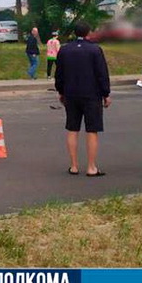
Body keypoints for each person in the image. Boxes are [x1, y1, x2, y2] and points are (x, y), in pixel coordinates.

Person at [55, 21, 111, 177]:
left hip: (71, 94)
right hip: (91, 94)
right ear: (89, 32)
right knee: (92, 130)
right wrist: (106, 93)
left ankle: (73, 165)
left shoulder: (65, 50)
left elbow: (59, 73)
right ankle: (91, 167)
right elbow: (102, 73)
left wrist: (61, 91)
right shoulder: (95, 50)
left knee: (72, 129)